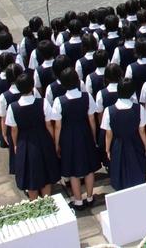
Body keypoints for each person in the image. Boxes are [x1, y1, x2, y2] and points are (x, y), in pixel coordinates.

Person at [49, 68, 99, 209]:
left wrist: (57, 143)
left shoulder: (59, 101)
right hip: (85, 134)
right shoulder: (86, 96)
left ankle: (78, 201)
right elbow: (92, 120)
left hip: (68, 137)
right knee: (89, 168)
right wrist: (93, 137)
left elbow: (57, 126)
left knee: (72, 171)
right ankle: (89, 197)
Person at [5, 72, 60, 199]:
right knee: (46, 175)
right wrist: (52, 141)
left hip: (24, 143)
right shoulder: (43, 103)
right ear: (32, 86)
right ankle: (47, 201)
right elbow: (49, 125)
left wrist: (15, 145)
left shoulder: (13, 108)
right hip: (43, 140)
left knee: (30, 178)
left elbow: (14, 130)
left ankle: (34, 203)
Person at [102, 78, 146, 190]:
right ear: (132, 92)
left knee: (120, 173)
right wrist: (145, 146)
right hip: (135, 142)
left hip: (118, 145)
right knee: (138, 172)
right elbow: (142, 130)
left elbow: (109, 133)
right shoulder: (139, 109)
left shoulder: (109, 110)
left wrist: (107, 149)